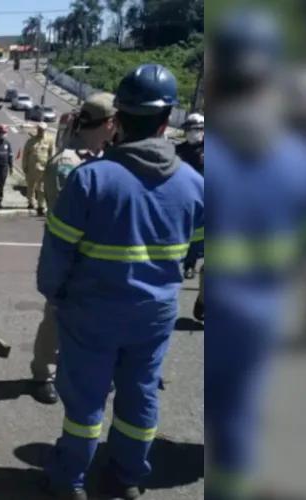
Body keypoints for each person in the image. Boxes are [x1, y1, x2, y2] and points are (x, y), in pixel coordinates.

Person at [38, 63, 204, 500]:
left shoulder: (90, 179)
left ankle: (70, 477)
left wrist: (54, 295)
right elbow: (201, 247)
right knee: (141, 394)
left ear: (120, 120)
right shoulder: (194, 184)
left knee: (86, 400)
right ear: (168, 119)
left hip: (91, 312)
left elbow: (57, 252)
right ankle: (128, 477)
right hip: (155, 315)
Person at [204, 10, 306, 500]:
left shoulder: (211, 156)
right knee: (241, 416)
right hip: (267, 313)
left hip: (217, 308)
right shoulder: (299, 162)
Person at [30, 94, 118, 406]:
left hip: (100, 258)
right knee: (57, 317)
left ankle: (85, 372)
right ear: (108, 123)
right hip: (69, 257)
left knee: (96, 320)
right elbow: (65, 216)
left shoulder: (109, 158)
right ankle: (44, 374)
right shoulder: (67, 163)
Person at [177, 113, 205, 280]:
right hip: (184, 196)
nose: (191, 133)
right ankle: (186, 263)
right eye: (188, 130)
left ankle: (193, 265)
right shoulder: (179, 150)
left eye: (194, 130)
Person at [23, 122, 55, 215]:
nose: (41, 132)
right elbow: (25, 154)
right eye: (39, 130)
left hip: (43, 168)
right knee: (30, 186)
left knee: (41, 188)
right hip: (31, 167)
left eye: (42, 130)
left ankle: (41, 205)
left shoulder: (49, 140)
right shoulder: (31, 141)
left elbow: (52, 154)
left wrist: (51, 166)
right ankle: (31, 202)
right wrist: (24, 165)